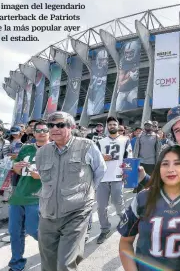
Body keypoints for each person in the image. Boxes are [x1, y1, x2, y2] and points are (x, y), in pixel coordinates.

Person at [118, 145, 180, 271]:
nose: (170, 169)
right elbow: (125, 242)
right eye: (165, 164)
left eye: (177, 163)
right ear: (159, 168)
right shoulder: (142, 198)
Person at [35, 111, 107, 271]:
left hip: (76, 212)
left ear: (71, 127)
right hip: (47, 214)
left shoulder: (87, 146)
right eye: (51, 125)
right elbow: (44, 180)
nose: (54, 128)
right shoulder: (42, 152)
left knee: (66, 264)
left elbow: (100, 171)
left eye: (60, 125)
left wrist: (86, 193)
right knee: (48, 265)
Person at [8, 121, 50, 271]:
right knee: (14, 232)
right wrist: (15, 167)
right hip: (19, 195)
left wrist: (42, 176)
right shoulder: (25, 148)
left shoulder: (54, 150)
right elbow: (18, 171)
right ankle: (16, 264)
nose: (41, 132)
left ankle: (57, 249)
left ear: (49, 131)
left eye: (45, 129)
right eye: (38, 130)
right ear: (33, 132)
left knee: (34, 230)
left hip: (38, 197)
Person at [95, 117, 133, 244]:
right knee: (101, 207)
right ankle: (105, 228)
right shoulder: (101, 141)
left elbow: (129, 159)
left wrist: (127, 175)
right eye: (110, 124)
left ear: (118, 126)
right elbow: (94, 159)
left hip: (117, 177)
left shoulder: (125, 140)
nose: (112, 126)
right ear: (107, 126)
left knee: (118, 204)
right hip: (102, 178)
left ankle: (125, 222)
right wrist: (102, 158)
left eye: (114, 124)